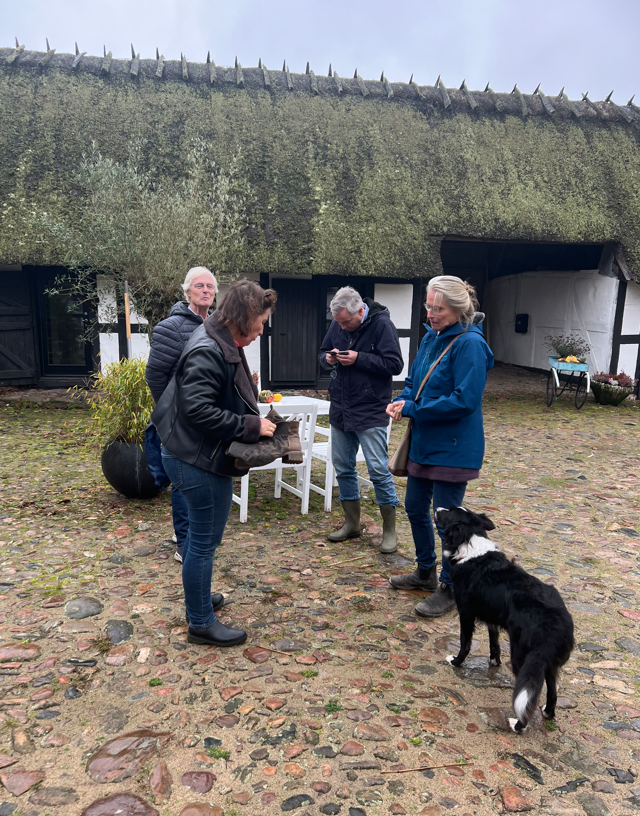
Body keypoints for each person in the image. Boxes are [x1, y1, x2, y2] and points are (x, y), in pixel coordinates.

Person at [152, 280, 278, 647]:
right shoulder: (208, 349)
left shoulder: (219, 338)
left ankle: (198, 600)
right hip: (195, 459)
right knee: (203, 543)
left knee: (199, 540)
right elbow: (198, 410)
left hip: (191, 452)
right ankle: (201, 623)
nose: (261, 331)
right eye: (259, 324)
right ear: (243, 318)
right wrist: (250, 424)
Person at [386, 275, 493, 617]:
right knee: (415, 507)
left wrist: (415, 408)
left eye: (438, 308)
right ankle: (425, 571)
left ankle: (450, 586)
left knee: (447, 521)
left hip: (454, 446)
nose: (431, 313)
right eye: (428, 306)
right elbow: (413, 382)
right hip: (424, 442)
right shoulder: (431, 337)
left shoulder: (470, 345)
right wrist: (403, 400)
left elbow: (465, 400)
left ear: (459, 309)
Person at [319, 286, 404, 553]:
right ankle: (351, 523)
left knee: (378, 470)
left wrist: (359, 359)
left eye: (346, 322)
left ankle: (390, 530)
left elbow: (395, 365)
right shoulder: (339, 323)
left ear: (360, 311)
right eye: (338, 323)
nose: (342, 328)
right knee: (343, 467)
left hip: (370, 409)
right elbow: (322, 354)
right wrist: (329, 359)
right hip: (341, 407)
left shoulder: (382, 325)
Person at [145, 267, 217, 562]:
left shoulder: (218, 324)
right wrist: (170, 412)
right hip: (180, 422)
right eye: (200, 286)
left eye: (210, 287)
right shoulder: (169, 328)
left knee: (204, 476)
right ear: (187, 291)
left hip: (208, 416)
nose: (206, 290)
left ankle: (195, 535)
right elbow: (155, 375)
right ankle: (184, 543)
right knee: (184, 480)